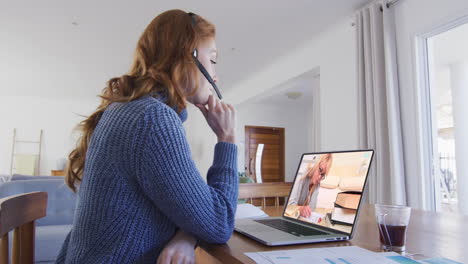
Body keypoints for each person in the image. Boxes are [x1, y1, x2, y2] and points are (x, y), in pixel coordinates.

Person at [56, 9, 238, 264]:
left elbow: (186, 206)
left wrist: (186, 234)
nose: (215, 75)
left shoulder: (131, 111)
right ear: (188, 56)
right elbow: (220, 223)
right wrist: (227, 139)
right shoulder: (153, 121)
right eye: (213, 60)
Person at [286, 154, 333, 219]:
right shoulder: (301, 177)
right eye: (320, 170)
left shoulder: (317, 183)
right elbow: (289, 206)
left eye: (323, 175)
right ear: (315, 164)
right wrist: (300, 208)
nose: (320, 177)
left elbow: (312, 208)